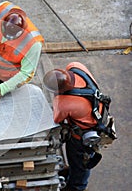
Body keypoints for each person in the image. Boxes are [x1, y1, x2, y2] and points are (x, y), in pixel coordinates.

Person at [43, 62, 116, 191]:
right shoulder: (76, 67)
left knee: (81, 163)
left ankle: (77, 187)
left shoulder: (65, 103)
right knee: (78, 162)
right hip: (100, 120)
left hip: (82, 137)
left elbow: (56, 119)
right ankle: (72, 172)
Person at [0, 1, 44, 100]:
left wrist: (3, 88)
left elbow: (26, 73)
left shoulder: (33, 43)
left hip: (6, 80)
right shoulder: (1, 9)